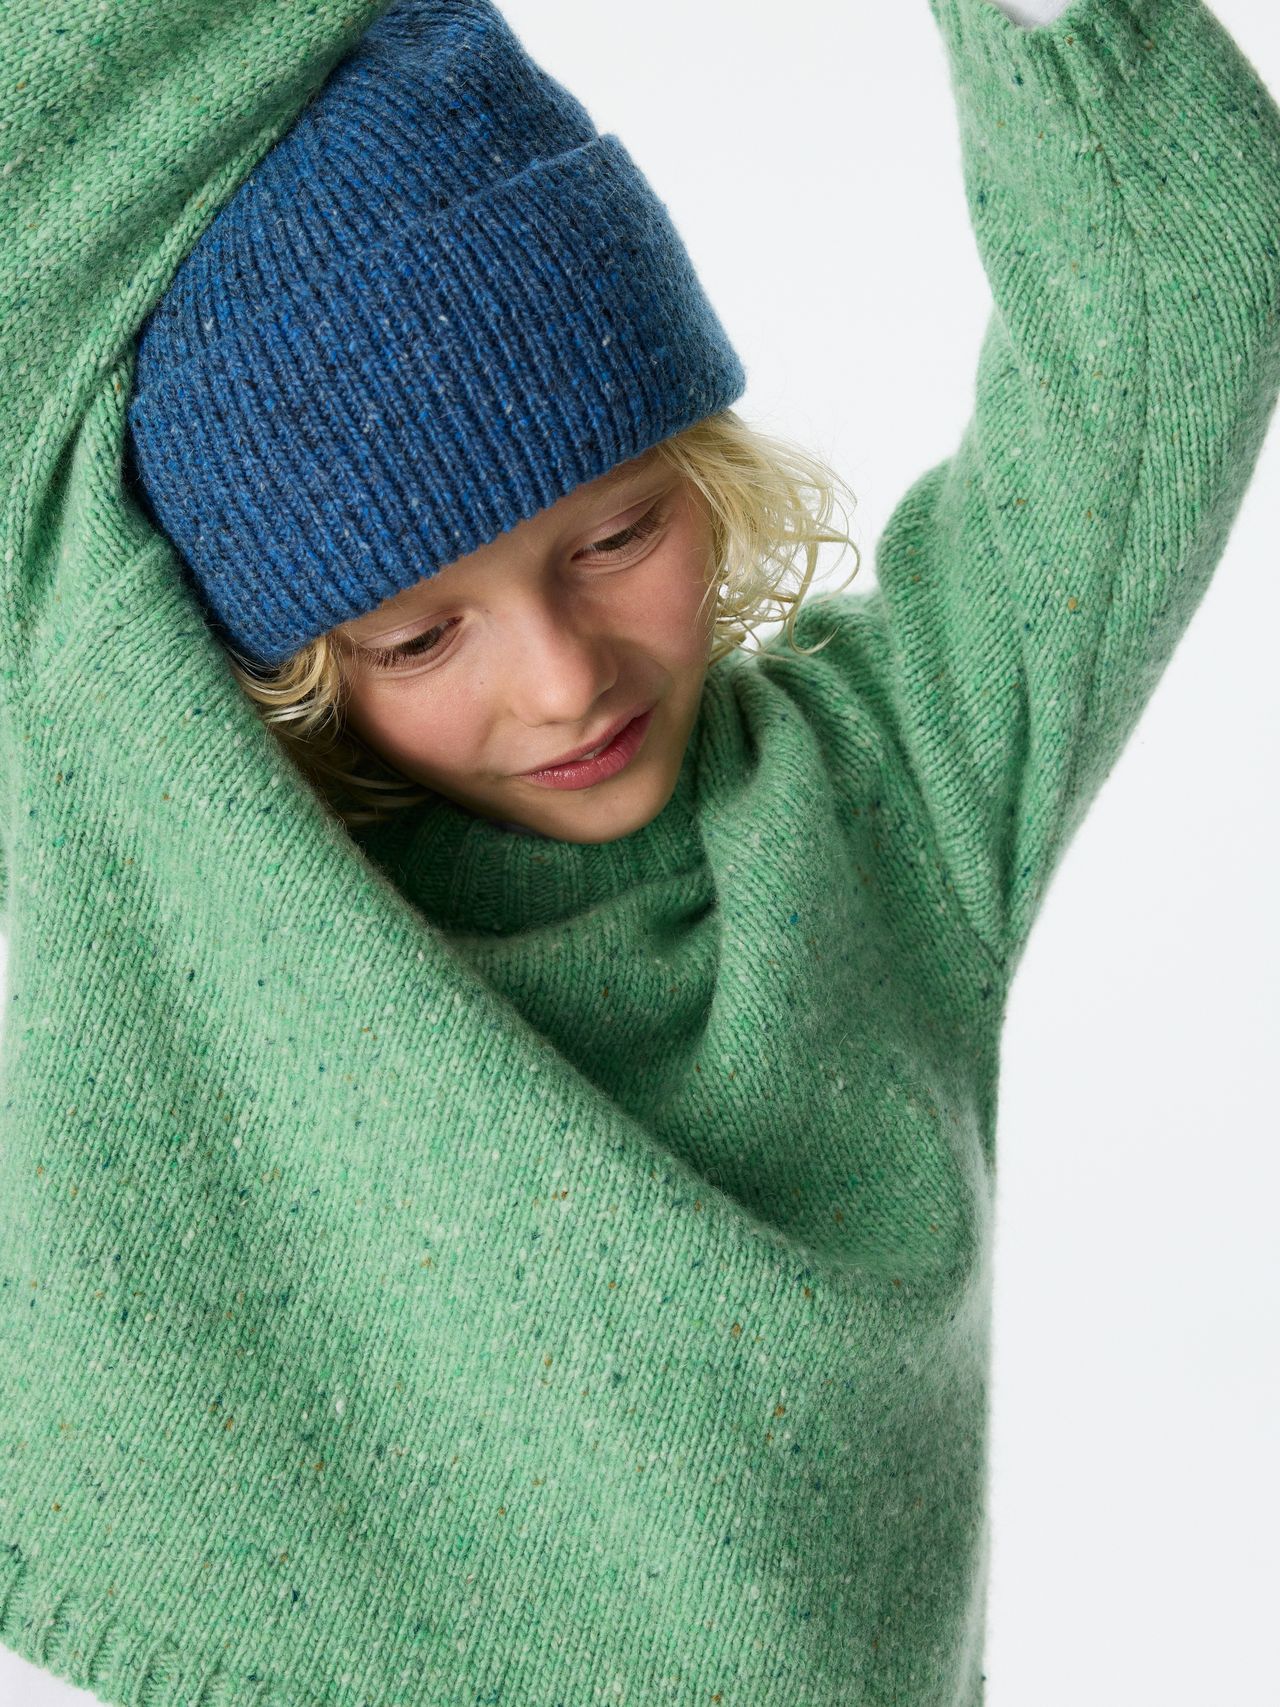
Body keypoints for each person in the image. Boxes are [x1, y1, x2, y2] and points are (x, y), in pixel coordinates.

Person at [1, 2, 1276, 1705]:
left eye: (617, 533)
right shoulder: (188, 840)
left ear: (705, 463)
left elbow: (1168, 317)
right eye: (415, 639)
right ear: (282, 668)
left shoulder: (888, 794)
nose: (564, 677)